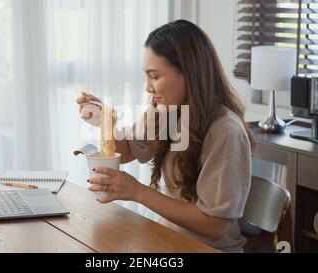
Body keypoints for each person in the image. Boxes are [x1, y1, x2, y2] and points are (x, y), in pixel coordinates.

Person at [76, 20, 255, 253]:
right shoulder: (166, 110)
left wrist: (139, 192)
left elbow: (215, 225)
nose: (148, 88)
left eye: (155, 76)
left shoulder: (226, 132)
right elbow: (130, 150)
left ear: (188, 73)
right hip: (166, 241)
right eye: (146, 76)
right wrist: (105, 120)